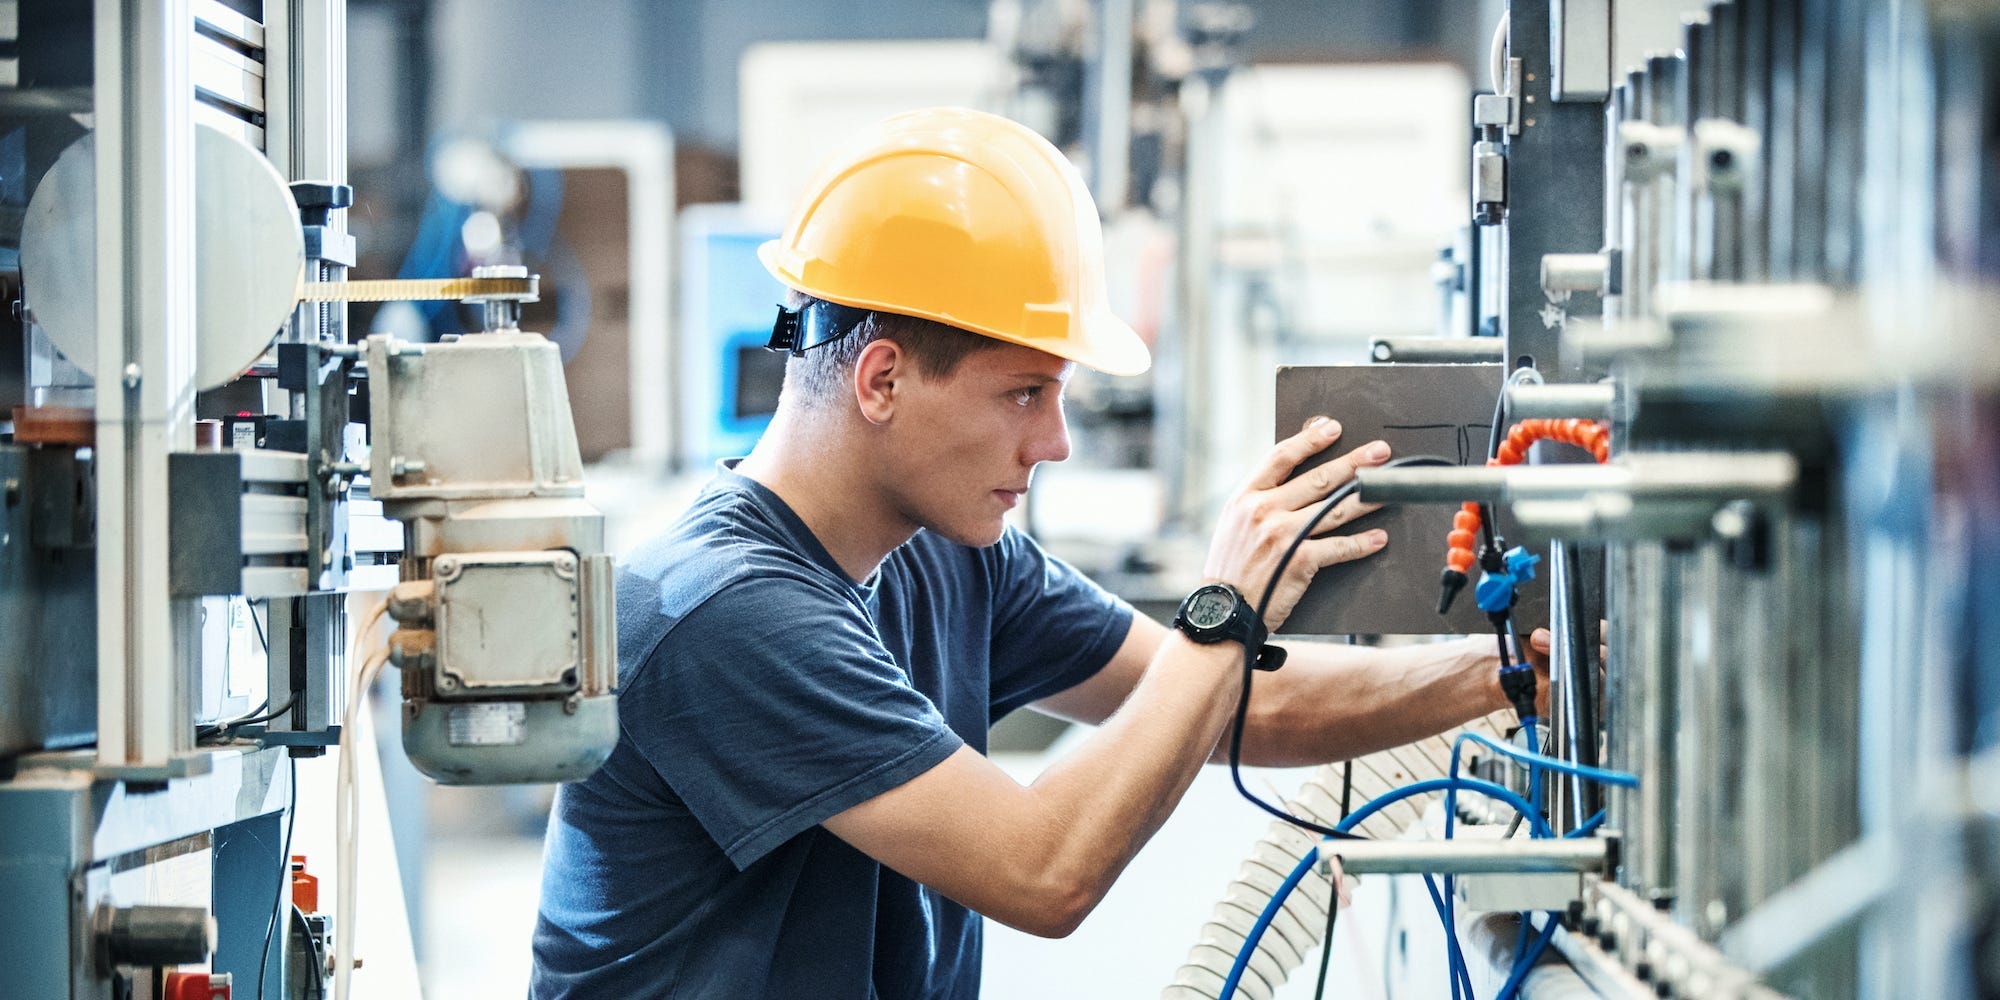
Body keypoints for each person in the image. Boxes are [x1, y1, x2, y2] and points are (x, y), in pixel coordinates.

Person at [530, 107, 1527, 999]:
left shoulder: (946, 552)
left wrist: (1517, 666)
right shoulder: (723, 609)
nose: (1052, 441)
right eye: (1023, 393)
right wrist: (1226, 605)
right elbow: (1042, 872)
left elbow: (1238, 701)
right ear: (880, 379)